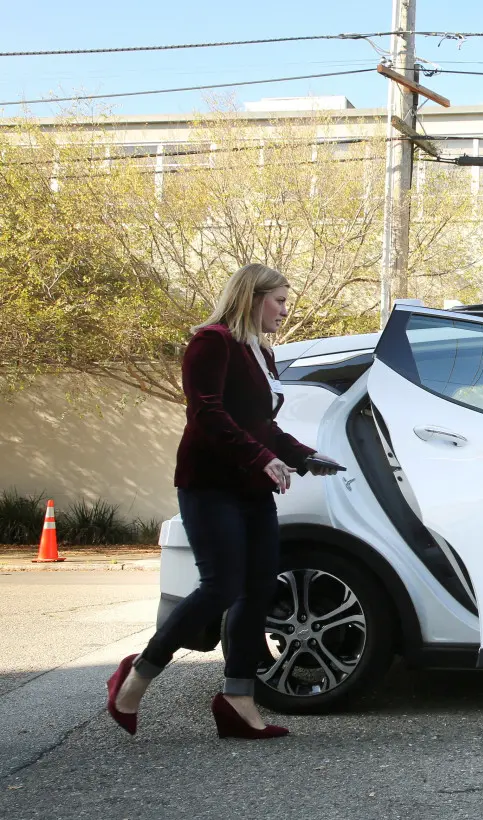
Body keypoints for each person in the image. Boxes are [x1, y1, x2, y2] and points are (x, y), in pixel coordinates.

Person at [105, 263, 342, 740]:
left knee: (257, 586)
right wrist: (261, 458)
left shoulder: (261, 354)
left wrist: (305, 456)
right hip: (209, 484)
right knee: (221, 587)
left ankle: (237, 698)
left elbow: (263, 425)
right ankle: (138, 674)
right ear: (252, 297)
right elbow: (206, 411)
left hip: (252, 487)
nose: (284, 310)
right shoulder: (211, 341)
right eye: (279, 300)